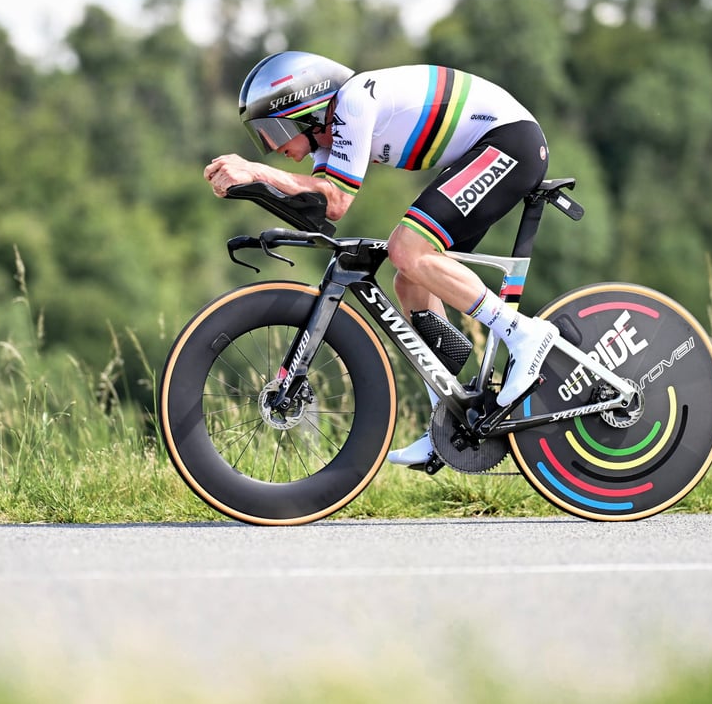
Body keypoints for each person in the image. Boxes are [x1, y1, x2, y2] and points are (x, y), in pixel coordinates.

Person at [203, 50, 559, 466]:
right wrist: (252, 189)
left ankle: (524, 334)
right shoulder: (329, 134)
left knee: (406, 249)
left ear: (304, 108)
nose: (271, 146)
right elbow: (322, 207)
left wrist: (255, 172)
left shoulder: (352, 101)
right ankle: (449, 418)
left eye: (271, 129)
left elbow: (336, 198)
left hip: (509, 141)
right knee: (410, 279)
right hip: (485, 150)